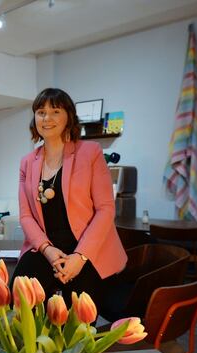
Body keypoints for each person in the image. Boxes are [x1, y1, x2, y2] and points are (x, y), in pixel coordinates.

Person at [13, 88, 127, 309]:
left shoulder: (90, 152)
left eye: (55, 111)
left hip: (86, 245)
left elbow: (105, 209)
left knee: (77, 314)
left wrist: (80, 256)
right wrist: (48, 250)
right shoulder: (27, 162)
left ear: (69, 117)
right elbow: (26, 216)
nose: (47, 118)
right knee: (18, 300)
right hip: (45, 246)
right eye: (41, 111)